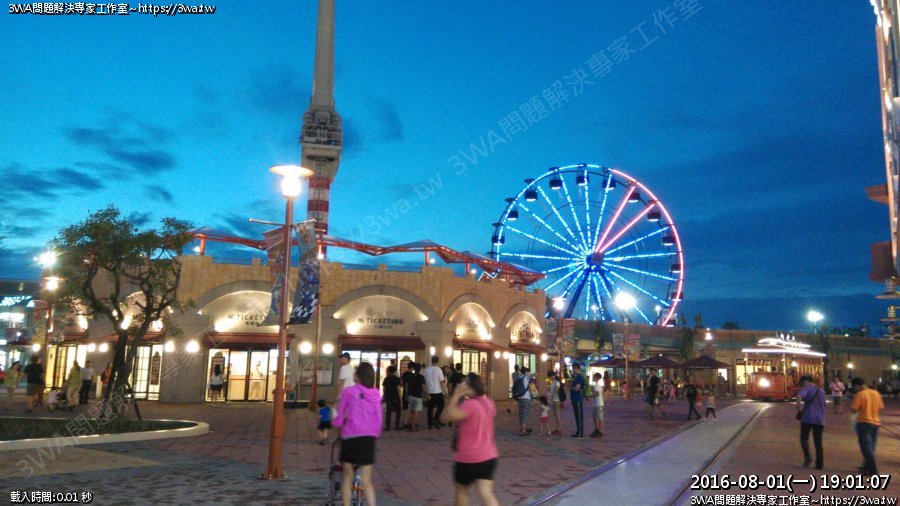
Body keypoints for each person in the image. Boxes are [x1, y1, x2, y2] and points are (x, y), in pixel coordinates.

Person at [443, 372, 500, 506]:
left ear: (468, 386)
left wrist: (456, 395)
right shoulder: (489, 403)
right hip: (489, 455)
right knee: (486, 493)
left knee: (462, 491)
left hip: (468, 457)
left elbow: (447, 416)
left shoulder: (470, 405)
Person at [333, 362, 382, 506]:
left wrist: (335, 423)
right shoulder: (376, 394)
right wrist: (374, 434)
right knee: (367, 480)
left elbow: (340, 416)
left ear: (358, 376)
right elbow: (379, 418)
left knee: (347, 477)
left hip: (351, 437)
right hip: (369, 440)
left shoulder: (348, 392)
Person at [850, 377, 885, 475]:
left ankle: (873, 470)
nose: (854, 389)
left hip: (863, 422)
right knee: (871, 446)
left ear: (857, 385)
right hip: (876, 422)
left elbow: (854, 409)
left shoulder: (860, 394)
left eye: (854, 387)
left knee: (866, 448)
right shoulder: (876, 393)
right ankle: (866, 467)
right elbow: (880, 407)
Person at [796, 375, 826, 470]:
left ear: (805, 381)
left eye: (802, 383)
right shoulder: (821, 390)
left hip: (807, 418)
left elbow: (799, 397)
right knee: (818, 441)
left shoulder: (806, 389)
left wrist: (799, 408)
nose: (802, 385)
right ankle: (819, 464)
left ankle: (808, 457)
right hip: (820, 419)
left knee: (804, 438)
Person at [424, 355, 447, 429]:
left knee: (430, 408)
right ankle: (435, 419)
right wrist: (445, 391)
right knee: (441, 405)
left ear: (431, 361)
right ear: (438, 361)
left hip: (430, 391)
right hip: (438, 391)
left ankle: (429, 424)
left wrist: (426, 393)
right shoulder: (439, 370)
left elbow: (425, 383)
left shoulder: (426, 370)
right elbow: (442, 382)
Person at [404, 362, 426, 431]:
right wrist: (425, 395)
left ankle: (409, 423)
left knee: (411, 410)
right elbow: (423, 387)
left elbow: (407, 386)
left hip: (411, 395)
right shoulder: (421, 377)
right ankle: (413, 425)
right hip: (418, 396)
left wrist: (406, 394)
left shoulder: (410, 376)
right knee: (416, 412)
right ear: (420, 369)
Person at [382, 365, 402, 430]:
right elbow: (398, 389)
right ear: (395, 371)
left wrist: (385, 395)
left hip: (388, 396)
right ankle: (397, 425)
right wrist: (400, 398)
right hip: (396, 396)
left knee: (388, 411)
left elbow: (384, 389)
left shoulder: (386, 378)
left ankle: (388, 426)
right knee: (398, 411)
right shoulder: (397, 379)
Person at [515, 367, 533, 436]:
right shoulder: (526, 377)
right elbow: (532, 376)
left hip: (520, 398)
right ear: (525, 371)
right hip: (526, 398)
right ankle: (523, 431)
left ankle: (522, 428)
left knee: (521, 414)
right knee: (525, 415)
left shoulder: (519, 377)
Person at [570, 363, 586, 439]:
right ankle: (578, 431)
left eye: (573, 369)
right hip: (575, 398)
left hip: (578, 398)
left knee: (579, 416)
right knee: (577, 415)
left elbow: (577, 388)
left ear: (576, 368)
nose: (572, 370)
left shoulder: (579, 377)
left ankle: (580, 433)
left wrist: (570, 386)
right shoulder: (577, 377)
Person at [448, 363, 466, 428]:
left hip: (454, 393)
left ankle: (451, 420)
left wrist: (449, 393)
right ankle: (458, 423)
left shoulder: (453, 376)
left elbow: (450, 385)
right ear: (461, 368)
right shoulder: (464, 376)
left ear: (456, 368)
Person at [590, 372, 605, 437]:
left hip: (598, 404)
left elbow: (597, 393)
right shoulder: (597, 385)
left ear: (596, 377)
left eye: (593, 376)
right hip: (596, 403)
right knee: (595, 416)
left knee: (599, 417)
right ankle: (597, 429)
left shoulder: (597, 385)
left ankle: (600, 431)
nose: (592, 378)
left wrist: (590, 395)